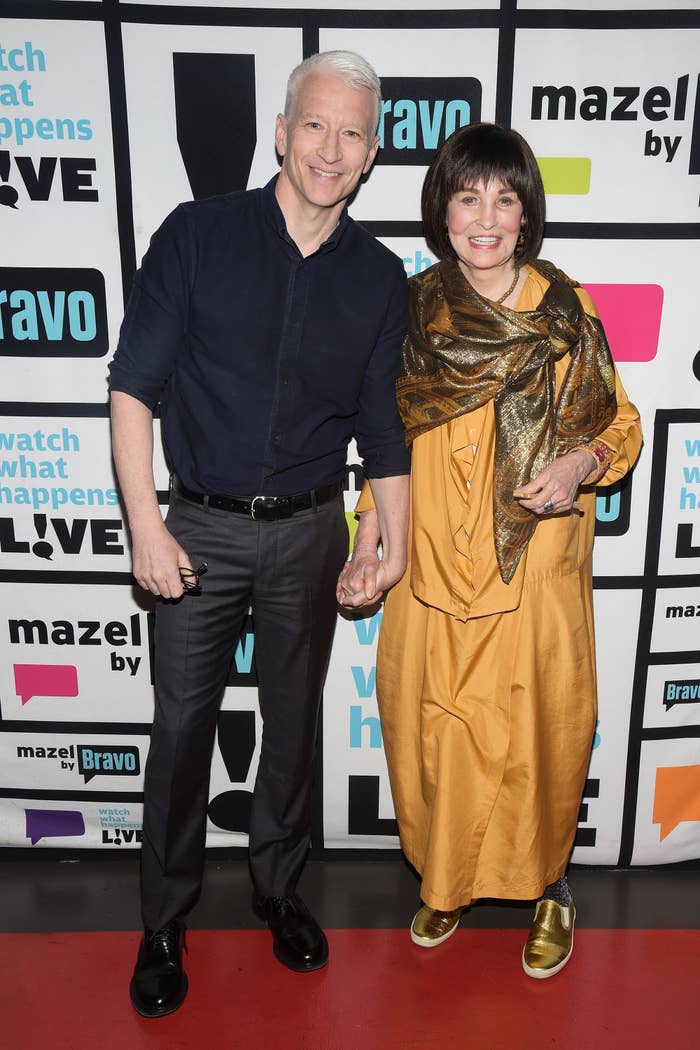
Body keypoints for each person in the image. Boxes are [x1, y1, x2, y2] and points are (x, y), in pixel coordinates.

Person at [109, 50, 410, 1017]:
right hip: (195, 528)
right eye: (314, 126)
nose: (331, 148)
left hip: (313, 530)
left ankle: (278, 890)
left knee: (293, 726)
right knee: (181, 729)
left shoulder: (377, 277)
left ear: (372, 153)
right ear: (280, 132)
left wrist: (384, 539)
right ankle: (164, 919)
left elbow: (383, 430)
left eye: (352, 132)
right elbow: (132, 389)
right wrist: (144, 523)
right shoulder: (197, 236)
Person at [338, 122, 642, 979]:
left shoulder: (565, 309)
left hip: (533, 568)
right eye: (467, 197)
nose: (485, 217)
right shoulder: (413, 306)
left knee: (536, 737)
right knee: (438, 734)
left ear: (525, 213)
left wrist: (580, 464)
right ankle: (447, 882)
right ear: (442, 207)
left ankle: (549, 887)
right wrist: (371, 541)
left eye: (504, 200)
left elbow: (620, 426)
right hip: (431, 561)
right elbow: (385, 440)